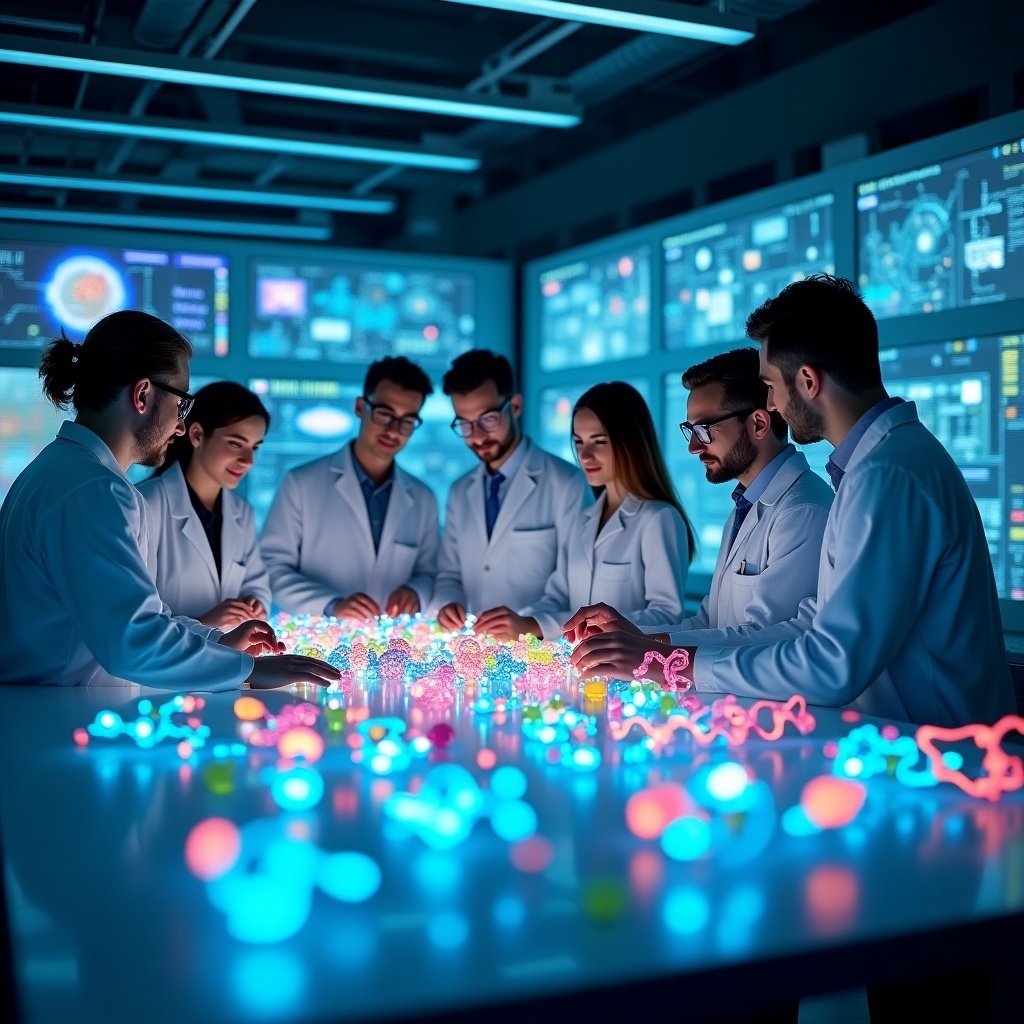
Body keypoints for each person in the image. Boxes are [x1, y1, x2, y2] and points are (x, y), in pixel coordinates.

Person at [569, 275, 1014, 727]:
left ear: (807, 381)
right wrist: (650, 644)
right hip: (919, 744)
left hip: (940, 755)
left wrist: (669, 662)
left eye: (772, 385)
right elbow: (811, 629)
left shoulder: (884, 475)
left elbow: (831, 663)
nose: (774, 405)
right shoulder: (882, 464)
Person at [0, 310, 338, 691]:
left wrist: (218, 643)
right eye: (181, 403)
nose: (179, 424)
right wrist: (248, 671)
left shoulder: (65, 470)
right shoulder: (94, 490)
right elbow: (132, 641)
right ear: (143, 394)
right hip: (44, 714)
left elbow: (142, 615)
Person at [479, 382, 694, 641]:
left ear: (630, 442)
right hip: (581, 668)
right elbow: (557, 597)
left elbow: (667, 615)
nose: (585, 455)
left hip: (630, 674)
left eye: (599, 441)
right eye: (579, 442)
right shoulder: (583, 520)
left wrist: (597, 627)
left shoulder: (658, 518)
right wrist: (520, 621)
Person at [261, 356, 439, 622]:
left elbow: (429, 573)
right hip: (320, 639)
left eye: (407, 421)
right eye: (384, 414)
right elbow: (272, 569)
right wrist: (332, 604)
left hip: (392, 645)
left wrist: (415, 592)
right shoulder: (301, 483)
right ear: (360, 407)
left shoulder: (423, 498)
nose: (393, 430)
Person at [667, 347, 832, 632]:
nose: (693, 447)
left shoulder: (803, 511)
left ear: (758, 423)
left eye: (704, 429)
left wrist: (646, 650)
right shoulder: (746, 505)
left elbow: (768, 641)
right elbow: (709, 623)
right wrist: (630, 637)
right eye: (690, 430)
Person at [432, 349, 590, 633]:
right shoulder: (459, 490)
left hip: (542, 651)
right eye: (465, 424)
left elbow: (575, 587)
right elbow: (449, 574)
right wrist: (448, 602)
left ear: (515, 406)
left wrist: (528, 624)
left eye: (487, 419)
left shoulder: (567, 483)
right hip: (475, 650)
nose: (477, 435)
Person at [140, 381, 272, 629]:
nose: (248, 461)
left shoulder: (241, 512)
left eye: (254, 447)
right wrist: (205, 622)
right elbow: (136, 620)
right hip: (166, 665)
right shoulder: (147, 504)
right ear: (197, 435)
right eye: (236, 443)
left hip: (230, 659)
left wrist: (255, 603)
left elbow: (256, 582)